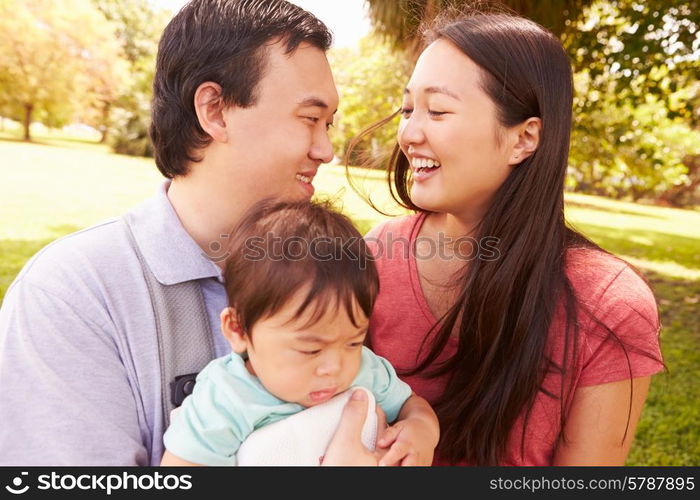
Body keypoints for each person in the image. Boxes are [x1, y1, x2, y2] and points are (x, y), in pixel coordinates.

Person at [0, 0, 342, 465]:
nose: (326, 149)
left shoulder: (334, 269)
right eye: (309, 118)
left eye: (329, 124)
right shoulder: (70, 294)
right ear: (215, 111)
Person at [349, 10, 664, 465]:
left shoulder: (607, 301)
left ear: (524, 138)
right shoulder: (378, 254)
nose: (409, 133)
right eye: (407, 109)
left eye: (437, 110)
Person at [159, 200, 439, 466]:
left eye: (353, 342)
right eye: (311, 350)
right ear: (238, 329)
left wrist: (420, 429)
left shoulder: (366, 371)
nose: (335, 367)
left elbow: (412, 405)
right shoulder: (225, 402)